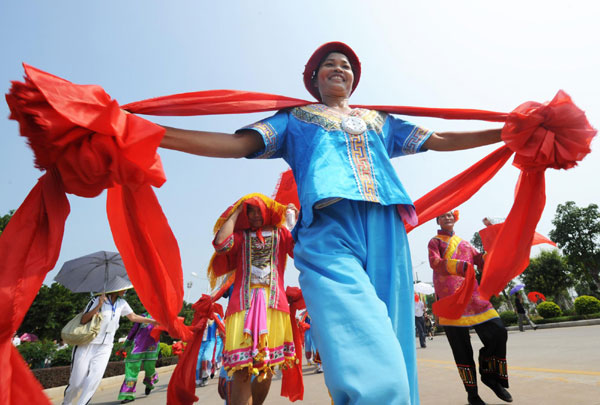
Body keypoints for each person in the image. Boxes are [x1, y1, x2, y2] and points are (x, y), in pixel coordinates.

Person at [157, 42, 503, 404]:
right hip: (327, 230)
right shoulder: (295, 119)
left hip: (386, 225)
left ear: (354, 80)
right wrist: (152, 135)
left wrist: (506, 133)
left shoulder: (379, 120)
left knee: (395, 335)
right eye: (329, 65)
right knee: (360, 336)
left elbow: (441, 139)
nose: (339, 69)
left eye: (346, 66)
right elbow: (236, 143)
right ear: (313, 78)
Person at [210, 194, 298, 405]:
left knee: (266, 367)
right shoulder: (241, 237)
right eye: (251, 211)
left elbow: (300, 248)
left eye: (259, 210)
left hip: (273, 305)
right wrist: (237, 211)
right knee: (240, 369)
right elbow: (221, 244)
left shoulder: (280, 234)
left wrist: (292, 218)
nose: (255, 214)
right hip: (243, 305)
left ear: (267, 211)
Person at [428, 211, 512, 405]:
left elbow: (482, 262)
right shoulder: (435, 242)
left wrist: (493, 236)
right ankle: (472, 395)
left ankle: (490, 376)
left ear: (455, 218)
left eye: (450, 215)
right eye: (443, 216)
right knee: (461, 349)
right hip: (451, 300)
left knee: (498, 331)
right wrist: (460, 267)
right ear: (438, 221)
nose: (447, 218)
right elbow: (435, 263)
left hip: (473, 297)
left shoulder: (464, 243)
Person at [62, 282, 158, 405]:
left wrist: (151, 321)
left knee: (94, 379)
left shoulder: (121, 303)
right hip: (87, 344)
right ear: (115, 288)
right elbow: (83, 319)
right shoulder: (96, 300)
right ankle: (66, 402)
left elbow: (133, 317)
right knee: (76, 382)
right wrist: (98, 306)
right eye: (123, 288)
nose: (125, 291)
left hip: (105, 346)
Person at [117, 313, 161, 403]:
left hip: (152, 347)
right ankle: (128, 395)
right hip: (137, 346)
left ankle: (149, 383)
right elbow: (133, 331)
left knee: (149, 368)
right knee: (131, 369)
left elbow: (168, 331)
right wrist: (125, 345)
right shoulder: (143, 316)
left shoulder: (161, 316)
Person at [196, 314, 224, 387]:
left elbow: (222, 326)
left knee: (206, 357)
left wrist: (223, 334)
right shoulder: (199, 316)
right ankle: (199, 377)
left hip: (211, 341)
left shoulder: (215, 316)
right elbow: (195, 328)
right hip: (200, 342)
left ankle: (205, 376)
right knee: (198, 359)